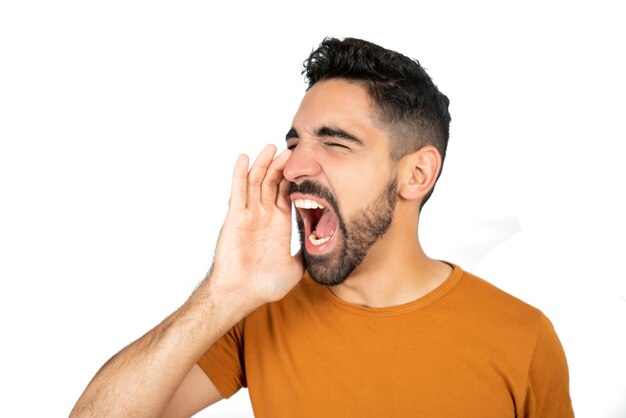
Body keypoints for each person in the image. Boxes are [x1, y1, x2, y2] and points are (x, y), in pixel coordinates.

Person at [71, 37, 574, 417]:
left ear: (416, 174)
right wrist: (223, 294)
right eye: (295, 143)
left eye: (335, 143)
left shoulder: (522, 338)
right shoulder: (260, 313)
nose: (293, 168)